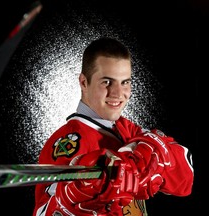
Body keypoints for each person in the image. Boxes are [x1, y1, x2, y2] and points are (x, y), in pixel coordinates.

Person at [32, 37, 194, 216]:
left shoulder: (126, 129)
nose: (118, 94)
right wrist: (74, 198)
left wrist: (152, 155)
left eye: (125, 82)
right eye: (107, 82)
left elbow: (186, 181)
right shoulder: (68, 144)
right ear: (84, 83)